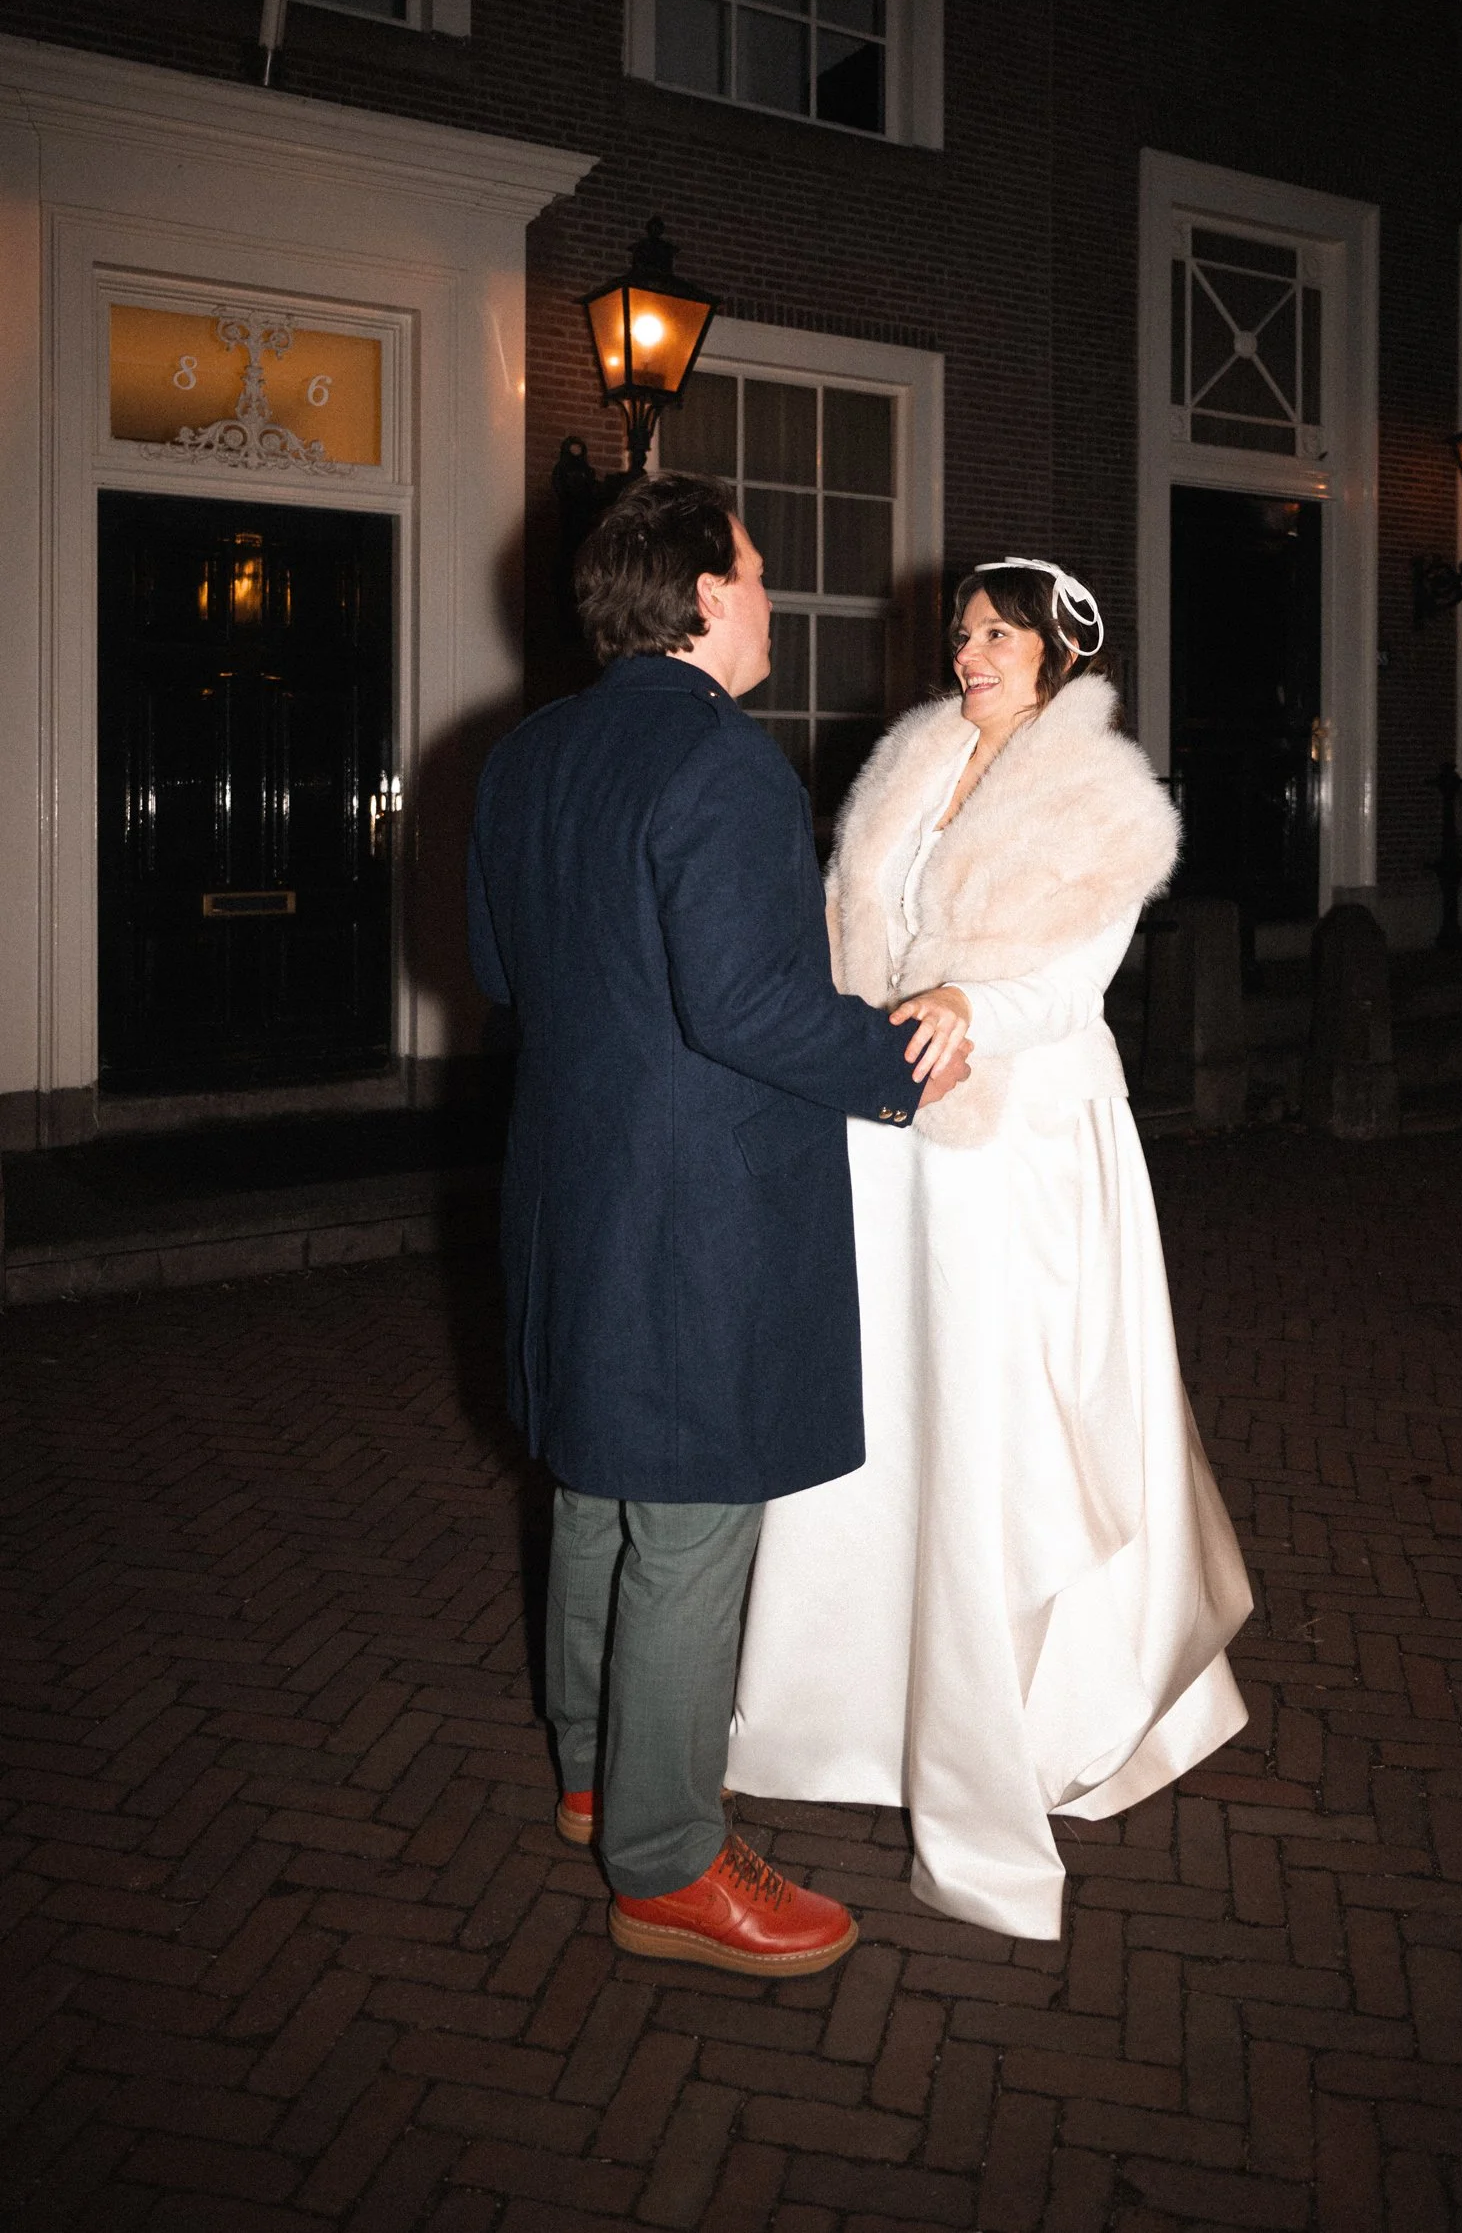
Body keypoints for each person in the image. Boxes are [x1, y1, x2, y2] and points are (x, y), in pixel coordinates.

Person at [466, 474, 970, 1978]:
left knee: (595, 1492)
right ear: (700, 597)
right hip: (696, 1206)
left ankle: (590, 1772)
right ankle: (669, 1860)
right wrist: (901, 1063)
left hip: (568, 1185)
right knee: (687, 1525)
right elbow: (748, 1009)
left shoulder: (526, 753)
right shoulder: (724, 761)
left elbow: (499, 969)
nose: (766, 598)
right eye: (751, 574)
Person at [728, 558, 1254, 1939]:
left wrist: (971, 1002)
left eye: (998, 637)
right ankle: (843, 1710)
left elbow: (1075, 981)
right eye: (962, 633)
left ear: (1058, 656)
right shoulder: (910, 762)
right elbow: (851, 928)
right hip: (891, 1137)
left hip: (1022, 1140)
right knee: (892, 1411)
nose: (969, 654)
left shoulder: (1103, 795)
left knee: (1007, 1418)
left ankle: (1030, 1715)